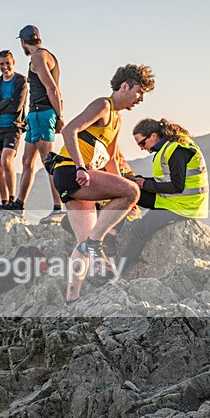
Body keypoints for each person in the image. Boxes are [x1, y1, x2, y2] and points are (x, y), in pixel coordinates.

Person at [52, 64, 155, 302]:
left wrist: (120, 196)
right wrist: (80, 166)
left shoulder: (117, 120)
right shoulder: (103, 105)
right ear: (124, 85)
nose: (140, 99)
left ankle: (72, 298)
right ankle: (96, 243)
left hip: (79, 178)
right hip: (71, 172)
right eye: (139, 91)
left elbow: (110, 160)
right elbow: (69, 130)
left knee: (81, 243)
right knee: (131, 190)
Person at [118, 118, 209, 272]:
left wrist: (144, 184)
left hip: (184, 205)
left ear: (153, 136)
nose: (141, 148)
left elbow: (176, 186)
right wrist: (137, 180)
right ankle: (110, 234)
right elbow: (164, 180)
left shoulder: (177, 150)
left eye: (142, 143)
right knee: (128, 191)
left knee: (140, 230)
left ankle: (116, 272)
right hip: (173, 200)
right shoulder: (168, 147)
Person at [5, 25, 64, 223]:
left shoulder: (38, 57)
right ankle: (19, 204)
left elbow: (52, 88)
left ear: (23, 42)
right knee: (27, 161)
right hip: (35, 115)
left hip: (42, 114)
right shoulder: (47, 56)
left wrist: (59, 116)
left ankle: (58, 207)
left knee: (48, 162)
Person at [0, 50, 27, 210]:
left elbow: (17, 106)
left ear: (13, 62)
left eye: (7, 63)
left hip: (13, 128)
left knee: (6, 160)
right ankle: (4, 202)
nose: (5, 67)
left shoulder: (20, 81)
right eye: (1, 64)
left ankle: (13, 198)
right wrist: (6, 102)